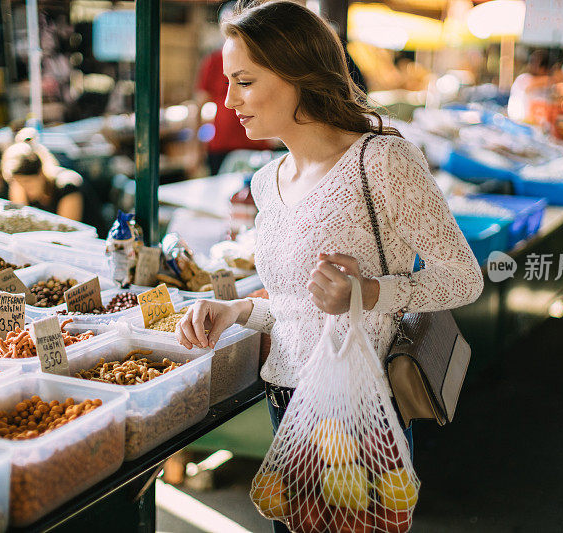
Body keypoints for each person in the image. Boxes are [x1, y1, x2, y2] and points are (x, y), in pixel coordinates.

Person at [176, 2, 483, 531]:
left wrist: (367, 292)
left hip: (360, 409)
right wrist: (240, 310)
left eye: (245, 81)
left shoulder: (381, 160)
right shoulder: (265, 182)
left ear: (297, 73)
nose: (229, 100)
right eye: (228, 81)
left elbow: (463, 277)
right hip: (286, 403)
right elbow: (302, 305)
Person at [195, 2, 270, 175]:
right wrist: (196, 149)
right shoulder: (213, 61)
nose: (231, 101)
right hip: (222, 144)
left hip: (255, 145)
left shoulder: (262, 59)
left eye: (245, 82)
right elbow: (199, 105)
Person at [2, 143, 84, 222]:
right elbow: (17, 218)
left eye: (28, 182)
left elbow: (67, 229)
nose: (24, 188)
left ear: (41, 173)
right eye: (19, 183)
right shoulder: (21, 187)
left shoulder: (67, 186)